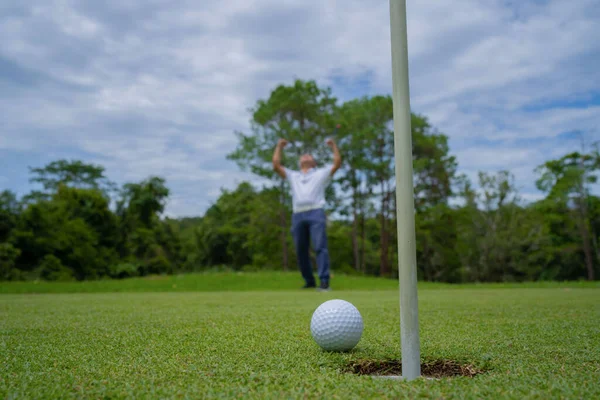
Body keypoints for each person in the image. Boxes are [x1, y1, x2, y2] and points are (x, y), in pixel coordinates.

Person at [272, 137, 342, 291]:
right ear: (299, 162)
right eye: (302, 156)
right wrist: (279, 146)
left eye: (309, 155)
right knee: (300, 250)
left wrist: (333, 146)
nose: (305, 156)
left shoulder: (320, 173)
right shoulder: (293, 175)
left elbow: (337, 163)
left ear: (314, 162)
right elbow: (276, 165)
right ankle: (309, 281)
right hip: (298, 214)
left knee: (320, 247)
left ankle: (324, 282)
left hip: (316, 212)